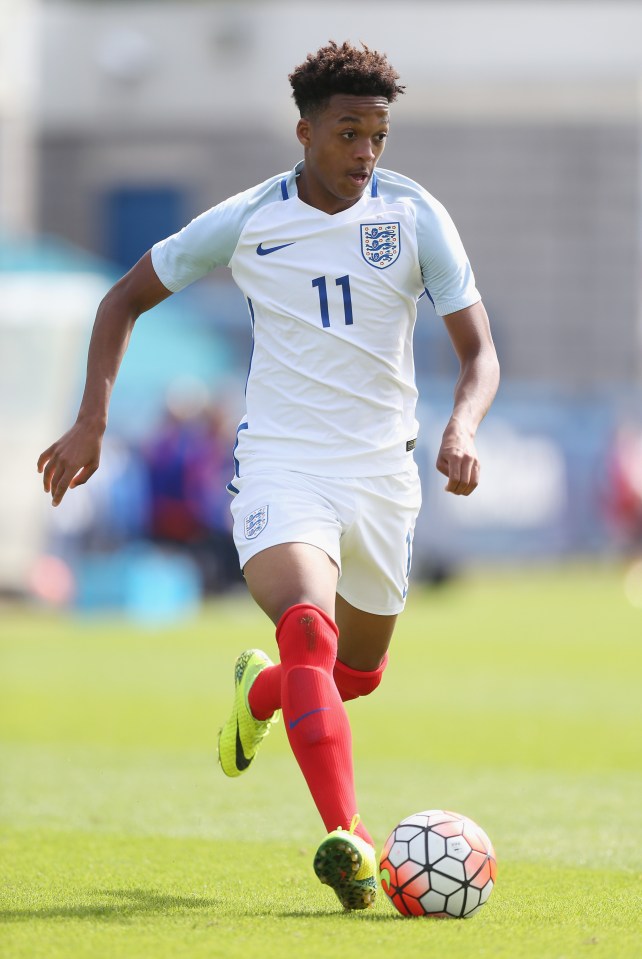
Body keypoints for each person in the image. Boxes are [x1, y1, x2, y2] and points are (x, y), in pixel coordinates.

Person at [37, 41, 500, 911]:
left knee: (352, 676)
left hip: (383, 478)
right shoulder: (249, 219)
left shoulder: (415, 216)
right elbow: (121, 299)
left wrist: (463, 422)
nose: (366, 153)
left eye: (379, 136)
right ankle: (348, 839)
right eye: (349, 133)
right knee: (309, 633)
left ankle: (258, 694)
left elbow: (479, 354)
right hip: (283, 466)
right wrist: (92, 418)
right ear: (305, 130)